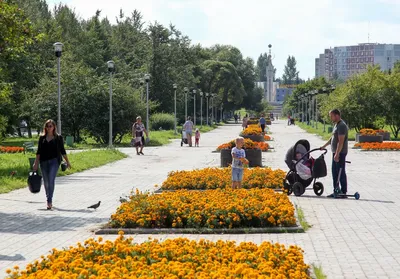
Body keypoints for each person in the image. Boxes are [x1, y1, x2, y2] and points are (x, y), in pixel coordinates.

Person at [32, 119, 71, 210]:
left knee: (51, 179)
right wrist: (36, 163)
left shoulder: (58, 138)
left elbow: (62, 151)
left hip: (54, 161)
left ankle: (49, 201)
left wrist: (68, 162)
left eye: (51, 126)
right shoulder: (42, 138)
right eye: (47, 126)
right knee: (46, 181)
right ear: (45, 127)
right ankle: (48, 198)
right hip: (43, 161)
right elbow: (39, 152)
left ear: (54, 127)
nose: (49, 128)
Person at [320, 109, 349, 198]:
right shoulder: (336, 125)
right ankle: (336, 190)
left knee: (340, 172)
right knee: (334, 172)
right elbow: (332, 139)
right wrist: (324, 146)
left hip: (340, 153)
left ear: (337, 115)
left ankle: (343, 192)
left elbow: (341, 141)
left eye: (331, 116)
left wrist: (337, 154)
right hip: (335, 152)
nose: (330, 118)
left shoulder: (342, 126)